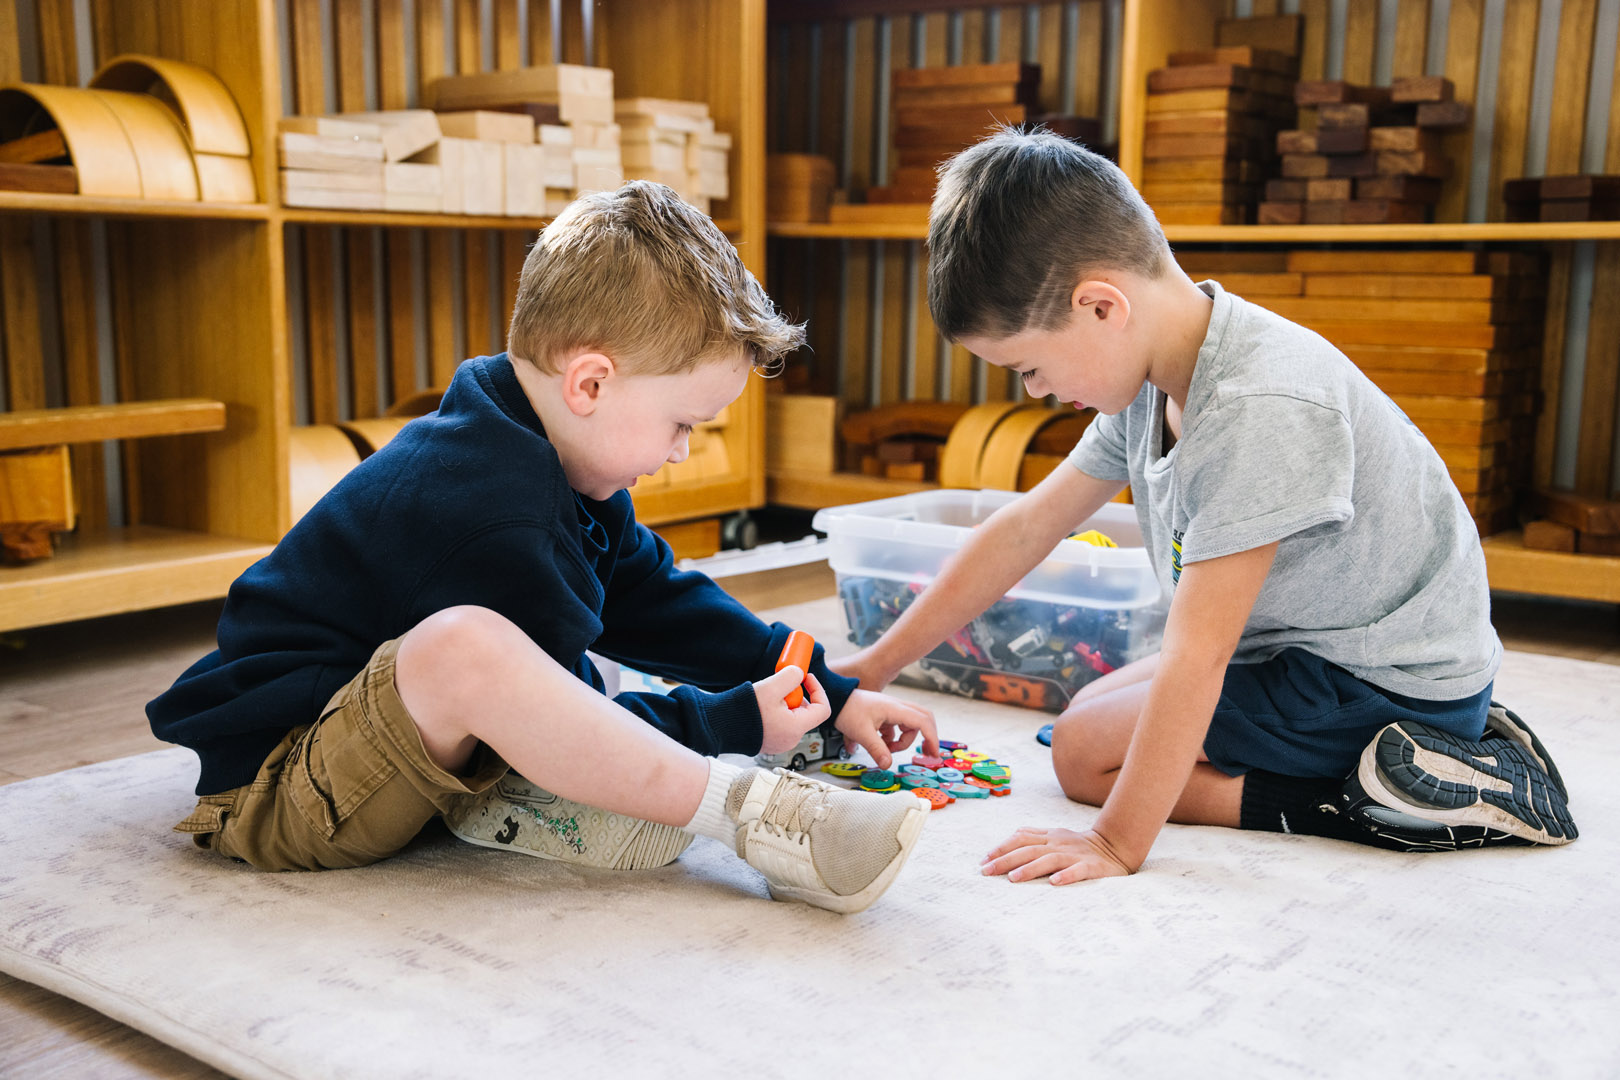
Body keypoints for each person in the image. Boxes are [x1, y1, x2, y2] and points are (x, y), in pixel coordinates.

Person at [147, 181, 936, 915]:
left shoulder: (529, 438)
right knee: (476, 651)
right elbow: (560, 713)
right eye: (683, 424)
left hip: (369, 736)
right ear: (589, 384)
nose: (681, 453)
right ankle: (753, 813)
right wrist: (727, 725)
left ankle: (554, 795)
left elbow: (653, 597)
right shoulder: (493, 512)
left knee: (592, 643)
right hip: (284, 785)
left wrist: (827, 689)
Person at [831, 129, 1576, 886]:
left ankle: (1380, 788)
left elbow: (1200, 655)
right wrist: (876, 665)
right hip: (1313, 651)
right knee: (1092, 705)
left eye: (1028, 366)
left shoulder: (1259, 406)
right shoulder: (1155, 369)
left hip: (1380, 681)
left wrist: (1114, 843)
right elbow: (1025, 528)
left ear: (1099, 307)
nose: (1034, 391)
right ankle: (1416, 752)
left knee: (1084, 754)